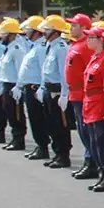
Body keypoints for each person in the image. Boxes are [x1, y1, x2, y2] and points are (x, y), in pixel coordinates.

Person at [80, 22, 104, 193]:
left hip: (100, 105)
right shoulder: (95, 57)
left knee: (102, 142)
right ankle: (102, 173)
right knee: (93, 142)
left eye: (91, 37)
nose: (88, 40)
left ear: (101, 40)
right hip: (90, 104)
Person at [65, 14, 98, 180]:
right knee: (82, 130)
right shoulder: (76, 44)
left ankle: (92, 162)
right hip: (74, 93)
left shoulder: (85, 46)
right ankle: (89, 161)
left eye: (74, 25)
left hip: (83, 94)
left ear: (84, 28)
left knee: (87, 131)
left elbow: (89, 71)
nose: (71, 28)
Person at [39, 15, 73, 169]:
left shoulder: (61, 48)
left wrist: (65, 94)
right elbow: (45, 71)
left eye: (47, 30)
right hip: (48, 90)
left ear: (54, 31)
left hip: (57, 92)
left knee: (60, 126)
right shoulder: (50, 47)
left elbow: (64, 74)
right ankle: (56, 153)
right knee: (51, 124)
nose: (44, 32)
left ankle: (63, 155)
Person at [15, 16, 50, 161]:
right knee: (34, 120)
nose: (26, 32)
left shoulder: (41, 47)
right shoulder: (34, 46)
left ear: (36, 31)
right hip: (29, 87)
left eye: (28, 30)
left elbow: (44, 69)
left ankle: (43, 147)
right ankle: (39, 145)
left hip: (35, 88)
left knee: (38, 119)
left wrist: (42, 87)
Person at [0, 19, 30, 152]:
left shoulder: (17, 50)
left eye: (4, 34)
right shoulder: (8, 49)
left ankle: (19, 139)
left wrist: (19, 87)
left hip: (14, 85)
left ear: (11, 35)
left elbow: (20, 70)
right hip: (7, 84)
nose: (1, 36)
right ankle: (15, 137)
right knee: (9, 111)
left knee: (16, 113)